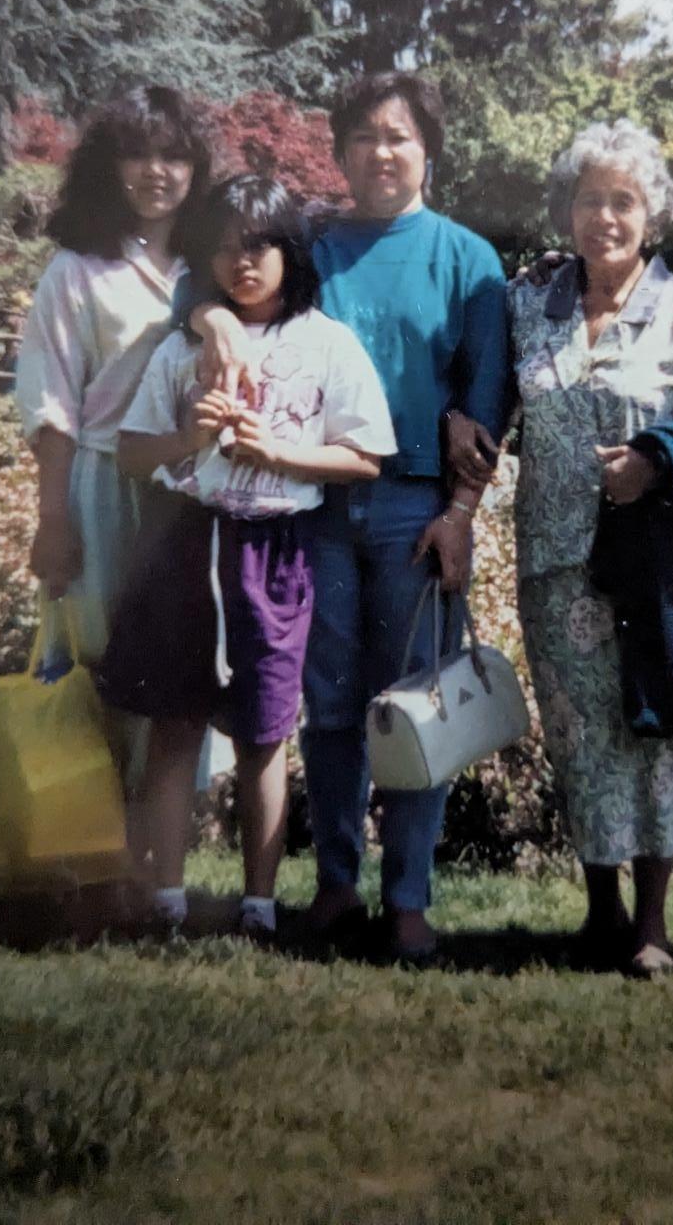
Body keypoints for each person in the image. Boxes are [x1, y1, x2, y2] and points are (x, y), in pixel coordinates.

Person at [193, 72, 508, 963]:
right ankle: (338, 884)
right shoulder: (313, 243)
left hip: (416, 509)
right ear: (337, 152)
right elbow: (215, 274)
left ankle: (408, 898)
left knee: (416, 709)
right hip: (314, 505)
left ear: (429, 150)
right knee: (328, 707)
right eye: (364, 136)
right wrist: (215, 319)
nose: (381, 153)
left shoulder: (467, 260)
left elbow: (484, 407)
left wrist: (460, 513)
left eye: (399, 137)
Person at [106, 176, 397, 940]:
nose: (245, 260)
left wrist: (282, 453)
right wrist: (192, 440)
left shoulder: (326, 343)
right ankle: (167, 897)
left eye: (262, 243)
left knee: (265, 732)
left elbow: (366, 455)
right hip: (185, 541)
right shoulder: (184, 346)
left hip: (274, 549)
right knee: (175, 723)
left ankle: (259, 904)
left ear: (291, 252)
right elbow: (132, 456)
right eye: (229, 244)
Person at [507, 120, 673, 977]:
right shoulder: (529, 303)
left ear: (652, 214)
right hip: (554, 561)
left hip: (657, 564)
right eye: (588, 200)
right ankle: (599, 908)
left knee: (658, 736)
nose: (604, 217)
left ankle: (653, 924)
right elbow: (497, 403)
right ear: (565, 211)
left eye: (623, 201)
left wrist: (654, 465)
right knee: (579, 739)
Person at [14, 84, 218, 684]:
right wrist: (53, 520)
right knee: (100, 667)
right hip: (104, 488)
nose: (157, 172)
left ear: (197, 170)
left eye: (175, 157)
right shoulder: (75, 269)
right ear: (110, 166)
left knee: (184, 684)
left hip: (194, 489)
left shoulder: (213, 265)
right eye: (138, 154)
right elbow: (52, 404)